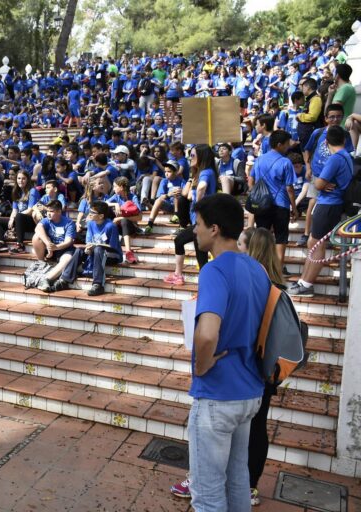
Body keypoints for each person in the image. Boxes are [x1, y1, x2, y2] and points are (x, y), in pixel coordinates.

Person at [186, 193, 269, 511]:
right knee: (237, 481)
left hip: (218, 394)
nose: (195, 230)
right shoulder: (257, 269)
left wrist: (202, 366)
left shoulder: (214, 270)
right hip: (249, 390)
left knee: (207, 494)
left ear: (215, 229)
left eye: (198, 224)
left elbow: (208, 334)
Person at [290, 125, 355, 297]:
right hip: (329, 204)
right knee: (313, 243)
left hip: (329, 204)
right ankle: (303, 281)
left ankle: (307, 285)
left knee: (316, 244)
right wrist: (323, 183)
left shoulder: (335, 158)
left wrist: (321, 182)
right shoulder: (346, 156)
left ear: (326, 142)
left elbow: (318, 184)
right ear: (344, 140)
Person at [164, 144, 218, 285]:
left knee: (181, 242)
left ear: (202, 156)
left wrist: (198, 206)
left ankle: (181, 276)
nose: (190, 158)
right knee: (200, 255)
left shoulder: (206, 172)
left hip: (203, 220)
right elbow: (186, 195)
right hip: (198, 221)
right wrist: (191, 178)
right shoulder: (200, 173)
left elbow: (202, 187)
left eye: (193, 155)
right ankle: (196, 282)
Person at [247, 130, 297, 265]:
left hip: (262, 205)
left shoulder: (259, 159)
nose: (288, 146)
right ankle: (278, 272)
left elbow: (251, 180)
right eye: (287, 144)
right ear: (279, 144)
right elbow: (289, 188)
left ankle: (259, 269)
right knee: (281, 239)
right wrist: (294, 208)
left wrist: (255, 193)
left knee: (262, 239)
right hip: (281, 205)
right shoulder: (285, 162)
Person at [31, 199, 77, 293]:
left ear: (59, 211)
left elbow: (68, 242)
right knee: (36, 237)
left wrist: (56, 247)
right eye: (47, 211)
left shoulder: (69, 223)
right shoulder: (46, 220)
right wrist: (49, 245)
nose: (48, 213)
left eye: (51, 211)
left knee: (67, 258)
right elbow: (38, 228)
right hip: (51, 249)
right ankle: (41, 262)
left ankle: (47, 279)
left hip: (64, 249)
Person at [84, 201, 122, 296]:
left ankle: (98, 284)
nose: (89, 214)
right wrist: (88, 248)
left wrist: (96, 246)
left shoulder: (111, 226)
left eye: (93, 212)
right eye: (89, 211)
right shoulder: (90, 223)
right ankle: (64, 279)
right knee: (77, 251)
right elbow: (88, 241)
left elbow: (113, 246)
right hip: (96, 251)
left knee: (98, 249)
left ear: (101, 216)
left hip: (112, 255)